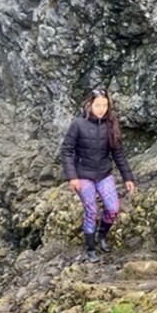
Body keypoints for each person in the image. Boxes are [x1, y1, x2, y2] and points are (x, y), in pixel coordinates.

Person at [61, 88, 135, 263]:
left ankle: (101, 235)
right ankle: (90, 249)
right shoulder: (78, 124)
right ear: (89, 105)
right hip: (83, 174)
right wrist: (72, 177)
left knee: (113, 208)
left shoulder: (111, 125)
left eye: (105, 105)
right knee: (91, 210)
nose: (101, 108)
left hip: (104, 173)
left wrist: (128, 177)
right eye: (97, 105)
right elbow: (66, 151)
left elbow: (118, 154)